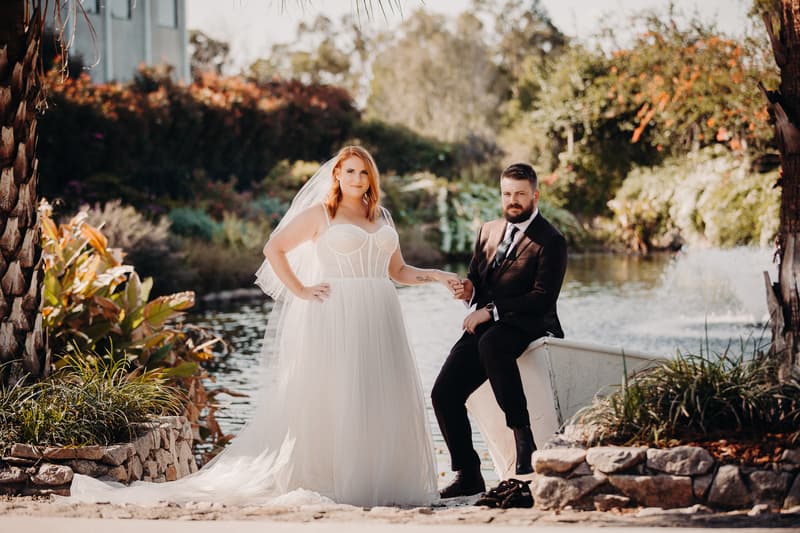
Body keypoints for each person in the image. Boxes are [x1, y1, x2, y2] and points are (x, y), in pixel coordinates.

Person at [67, 146, 454, 507]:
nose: (357, 178)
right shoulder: (321, 214)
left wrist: (437, 276)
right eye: (349, 171)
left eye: (364, 172)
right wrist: (300, 289)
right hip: (338, 314)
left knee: (377, 393)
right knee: (338, 394)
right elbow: (274, 248)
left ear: (372, 178)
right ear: (336, 175)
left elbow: (398, 271)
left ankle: (379, 480)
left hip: (381, 313)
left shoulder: (380, 217)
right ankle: (339, 479)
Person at [432, 163, 567, 499]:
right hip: (489, 322)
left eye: (521, 194)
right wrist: (468, 291)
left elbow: (542, 297)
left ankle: (523, 436)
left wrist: (491, 311)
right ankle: (468, 474)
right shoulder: (488, 230)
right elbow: (477, 281)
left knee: (492, 342)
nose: (513, 200)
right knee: (443, 394)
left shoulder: (552, 240)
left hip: (529, 321)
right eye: (507, 193)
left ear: (535, 195)